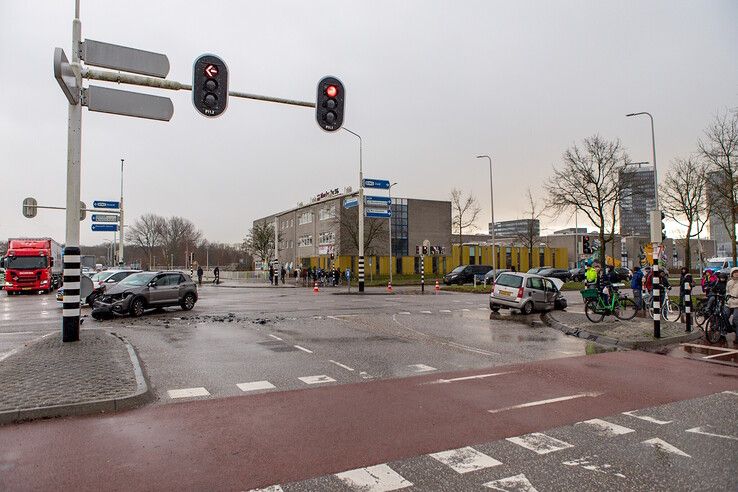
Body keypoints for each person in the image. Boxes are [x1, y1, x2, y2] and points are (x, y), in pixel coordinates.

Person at [726, 268, 738, 343]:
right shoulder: (729, 282)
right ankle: (722, 333)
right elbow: (727, 292)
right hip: (729, 302)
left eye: (737, 272)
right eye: (735, 272)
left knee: (736, 319)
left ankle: (737, 337)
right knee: (724, 315)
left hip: (737, 303)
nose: (736, 274)